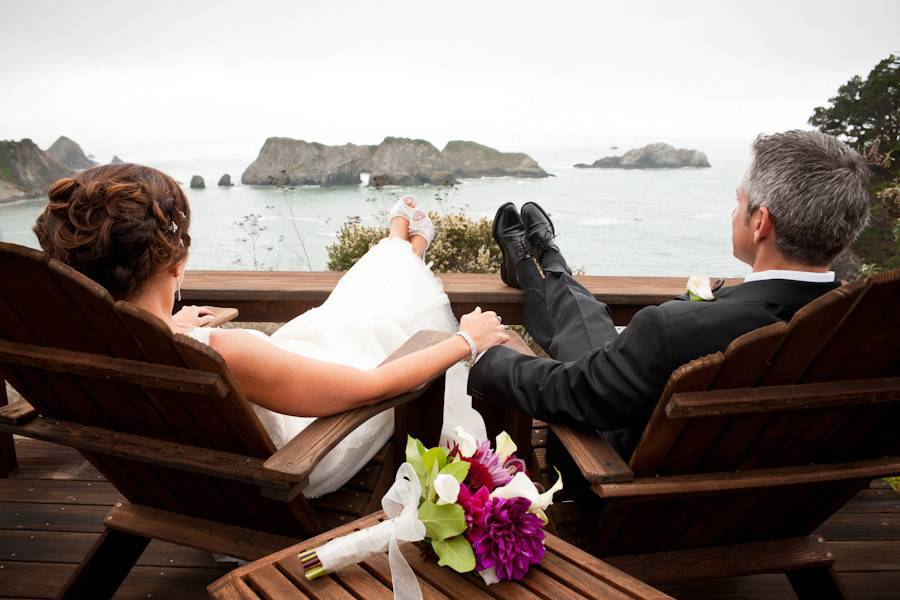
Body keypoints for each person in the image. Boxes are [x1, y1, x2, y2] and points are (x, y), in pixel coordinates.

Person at [34, 163, 508, 497]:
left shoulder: (92, 345)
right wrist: (466, 341)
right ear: (175, 263)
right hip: (307, 453)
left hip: (192, 480)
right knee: (378, 325)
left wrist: (168, 326)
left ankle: (401, 248)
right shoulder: (223, 351)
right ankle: (405, 249)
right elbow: (371, 386)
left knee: (344, 315)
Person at [468, 130, 871, 467]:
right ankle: (543, 265)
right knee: (585, 319)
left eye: (739, 201)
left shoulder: (675, 329)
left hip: (623, 488)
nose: (734, 213)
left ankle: (536, 267)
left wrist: (484, 353)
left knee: (584, 330)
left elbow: (569, 392)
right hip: (779, 502)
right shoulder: (864, 327)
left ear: (760, 223)